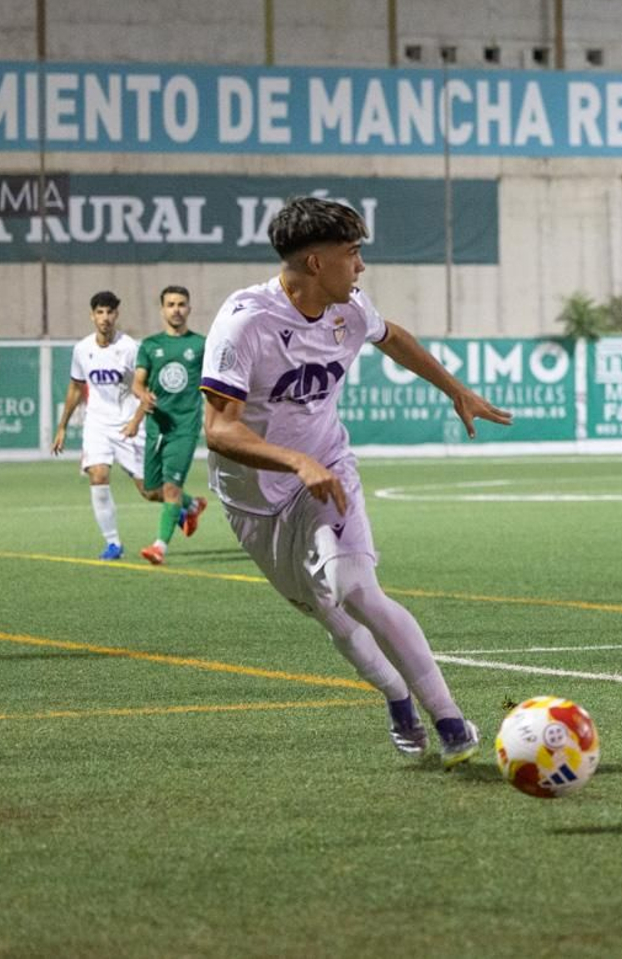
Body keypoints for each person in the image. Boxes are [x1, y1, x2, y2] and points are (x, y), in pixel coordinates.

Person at [199, 197, 512, 766]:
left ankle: (450, 723)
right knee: (331, 612)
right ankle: (397, 699)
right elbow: (219, 430)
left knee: (356, 587)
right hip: (254, 496)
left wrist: (454, 388)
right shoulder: (246, 322)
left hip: (328, 468)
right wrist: (293, 463)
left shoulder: (350, 307)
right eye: (353, 253)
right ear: (316, 262)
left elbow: (391, 336)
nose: (361, 266)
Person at [52, 291, 155, 559]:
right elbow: (76, 388)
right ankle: (113, 543)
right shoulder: (82, 349)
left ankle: (184, 505)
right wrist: (62, 427)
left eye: (110, 312)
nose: (105, 318)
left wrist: (136, 420)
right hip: (97, 424)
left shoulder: (130, 348)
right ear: (92, 315)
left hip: (126, 425)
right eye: (100, 312)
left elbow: (143, 388)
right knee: (98, 475)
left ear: (116, 315)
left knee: (148, 491)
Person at [123, 285, 209, 565]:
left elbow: (216, 383)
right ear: (162, 309)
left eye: (181, 304)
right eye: (171, 304)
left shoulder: (200, 345)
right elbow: (138, 382)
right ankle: (193, 505)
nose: (176, 309)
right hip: (156, 427)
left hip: (184, 427)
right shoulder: (150, 346)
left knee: (171, 488)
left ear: (189, 308)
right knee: (151, 491)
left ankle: (159, 547)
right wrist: (141, 395)